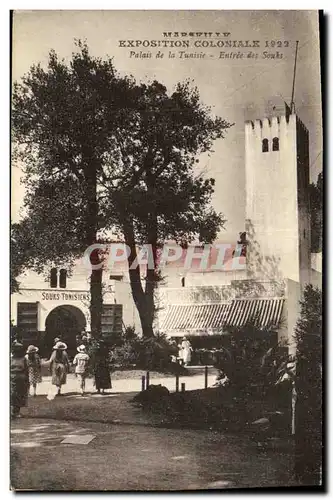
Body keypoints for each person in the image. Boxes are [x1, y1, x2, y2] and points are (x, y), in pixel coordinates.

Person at [11, 342, 29, 418]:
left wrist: (27, 379)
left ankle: (16, 411)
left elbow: (26, 369)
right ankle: (12, 411)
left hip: (20, 379)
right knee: (12, 394)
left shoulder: (24, 359)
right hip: (11, 377)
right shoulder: (10, 358)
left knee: (19, 394)